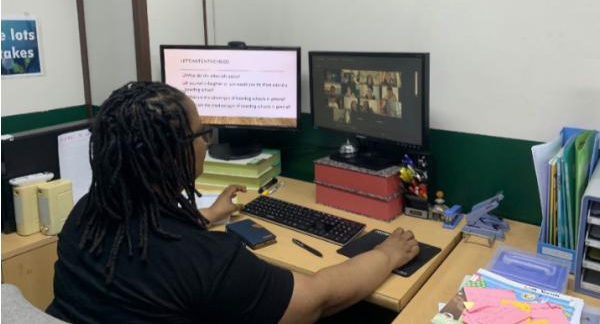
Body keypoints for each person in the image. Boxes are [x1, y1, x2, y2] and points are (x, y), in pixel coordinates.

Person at [47, 82, 419, 324]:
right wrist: (387, 255)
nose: (206, 142)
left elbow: (152, 245)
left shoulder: (87, 215)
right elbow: (316, 299)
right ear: (174, 153)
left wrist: (207, 214)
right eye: (201, 134)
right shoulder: (206, 260)